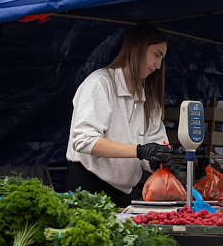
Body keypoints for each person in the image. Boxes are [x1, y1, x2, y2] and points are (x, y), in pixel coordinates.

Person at [65, 24, 172, 207]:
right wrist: (139, 150)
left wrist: (156, 159)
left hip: (123, 195)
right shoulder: (100, 84)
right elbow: (84, 140)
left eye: (162, 58)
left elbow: (154, 143)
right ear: (138, 47)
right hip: (87, 188)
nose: (158, 65)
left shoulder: (149, 99)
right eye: (156, 55)